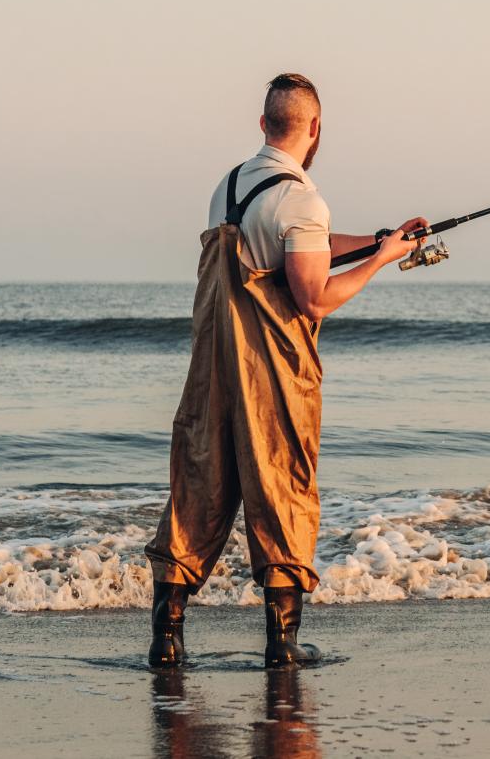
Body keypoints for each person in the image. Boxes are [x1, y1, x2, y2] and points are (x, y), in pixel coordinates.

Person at [144, 73, 426, 668]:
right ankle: (282, 645)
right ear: (316, 129)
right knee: (283, 489)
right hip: (271, 371)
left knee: (198, 488)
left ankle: (166, 640)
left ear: (264, 124)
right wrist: (381, 259)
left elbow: (291, 243)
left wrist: (379, 236)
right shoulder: (301, 198)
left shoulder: (228, 187)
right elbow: (314, 296)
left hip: (211, 368)